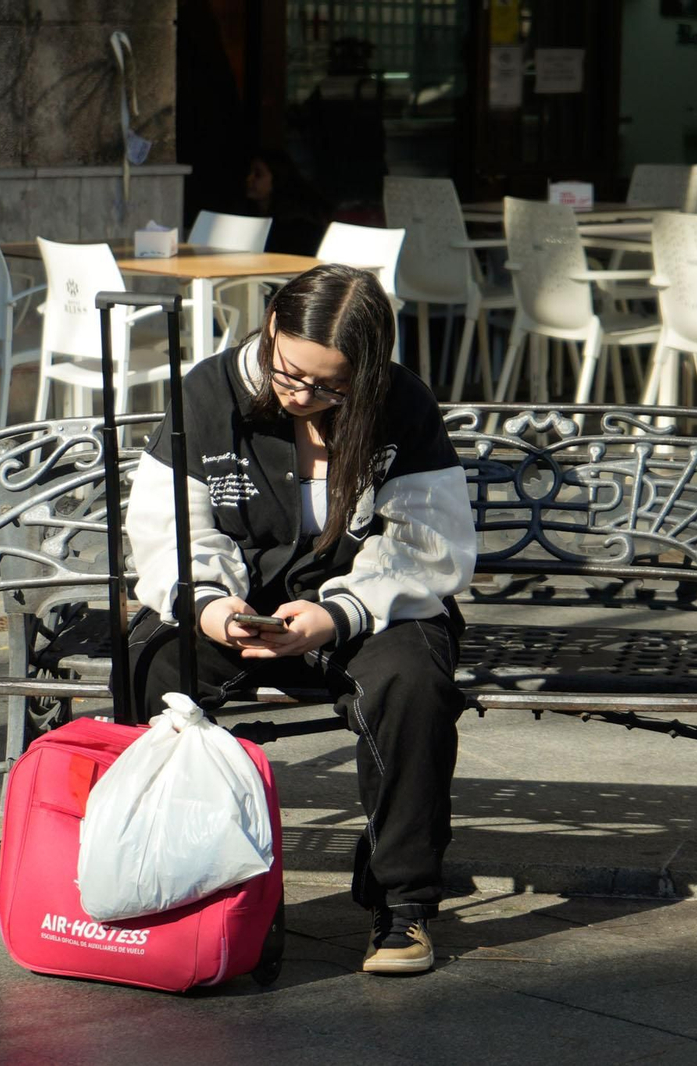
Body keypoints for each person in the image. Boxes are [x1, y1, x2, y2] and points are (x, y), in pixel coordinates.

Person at [123, 264, 477, 975]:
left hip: (366, 605)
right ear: (272, 325)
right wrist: (212, 606)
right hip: (237, 604)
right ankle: (180, 888)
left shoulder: (402, 404)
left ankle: (401, 905)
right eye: (290, 371)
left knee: (412, 683)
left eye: (330, 386)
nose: (301, 394)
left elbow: (429, 545)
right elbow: (170, 528)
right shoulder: (207, 391)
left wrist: (335, 615)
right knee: (158, 664)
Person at [243, 148, 330, 255]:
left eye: (258, 174)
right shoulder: (248, 214)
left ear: (277, 177)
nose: (249, 179)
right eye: (250, 173)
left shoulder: (298, 225)